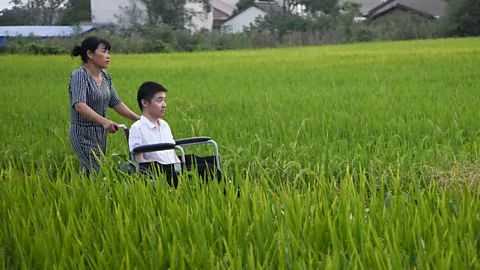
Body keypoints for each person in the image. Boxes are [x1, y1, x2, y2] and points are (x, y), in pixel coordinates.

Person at [68, 36, 140, 176]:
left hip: (100, 133)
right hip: (83, 133)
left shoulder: (105, 76)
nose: (108, 56)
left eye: (109, 52)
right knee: (99, 170)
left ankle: (79, 195)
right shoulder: (80, 76)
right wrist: (105, 121)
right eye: (104, 52)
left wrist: (139, 119)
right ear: (90, 54)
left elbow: (116, 103)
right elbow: (80, 105)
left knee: (88, 174)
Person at [128, 81, 181, 164]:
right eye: (159, 101)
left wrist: (181, 170)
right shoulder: (137, 128)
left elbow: (173, 155)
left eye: (164, 100)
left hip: (174, 169)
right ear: (145, 103)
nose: (164, 105)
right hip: (157, 172)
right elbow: (139, 160)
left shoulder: (164, 125)